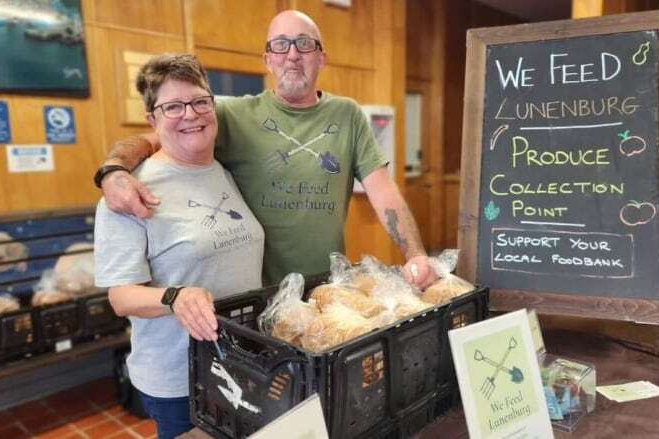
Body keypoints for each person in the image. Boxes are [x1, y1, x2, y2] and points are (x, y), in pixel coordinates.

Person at [96, 10, 437, 288]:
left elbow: (384, 192)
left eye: (304, 44)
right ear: (268, 60)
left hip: (328, 287)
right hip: (258, 294)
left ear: (321, 58)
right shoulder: (232, 115)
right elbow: (156, 138)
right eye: (280, 45)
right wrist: (113, 170)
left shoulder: (347, 115)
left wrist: (415, 254)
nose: (292, 54)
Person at [94, 54, 265, 439]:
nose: (191, 114)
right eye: (173, 106)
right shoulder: (128, 193)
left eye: (200, 101)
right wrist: (175, 297)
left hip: (241, 362)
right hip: (180, 376)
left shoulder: (222, 170)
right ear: (152, 119)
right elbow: (120, 297)